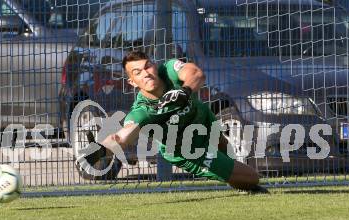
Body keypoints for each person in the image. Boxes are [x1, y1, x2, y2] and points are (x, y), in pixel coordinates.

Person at [88, 50, 268, 193]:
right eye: (137, 73)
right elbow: (121, 137)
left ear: (155, 66)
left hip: (204, 121)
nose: (146, 74)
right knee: (252, 178)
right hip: (186, 149)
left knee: (229, 158)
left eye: (147, 67)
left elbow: (196, 73)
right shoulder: (142, 111)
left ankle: (239, 181)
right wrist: (101, 149)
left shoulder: (169, 69)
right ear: (132, 82)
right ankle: (243, 181)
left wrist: (184, 91)